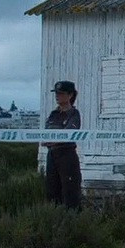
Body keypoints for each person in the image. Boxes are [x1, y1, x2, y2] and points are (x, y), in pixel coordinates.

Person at [42, 80, 83, 210]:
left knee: (70, 191)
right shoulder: (53, 114)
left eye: (61, 93)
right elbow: (46, 132)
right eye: (56, 93)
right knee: (52, 190)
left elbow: (69, 133)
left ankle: (73, 220)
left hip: (67, 155)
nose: (57, 96)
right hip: (52, 155)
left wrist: (54, 140)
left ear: (70, 95)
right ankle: (55, 218)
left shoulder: (74, 114)